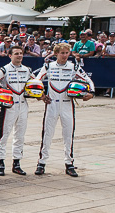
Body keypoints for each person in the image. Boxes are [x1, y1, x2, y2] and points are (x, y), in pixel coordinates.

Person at [34, 42, 94, 177]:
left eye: (67, 53)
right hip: (52, 104)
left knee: (68, 134)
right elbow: (36, 81)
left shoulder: (73, 66)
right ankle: (41, 163)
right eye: (62, 53)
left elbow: (88, 80)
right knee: (47, 134)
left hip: (68, 104)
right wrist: (40, 95)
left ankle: (69, 163)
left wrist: (91, 93)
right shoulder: (49, 66)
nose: (65, 56)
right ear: (56, 54)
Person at [0, 46, 32, 176]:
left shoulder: (27, 70)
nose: (19, 56)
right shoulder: (4, 69)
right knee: (4, 135)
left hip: (23, 105)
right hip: (9, 106)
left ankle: (17, 163)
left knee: (20, 135)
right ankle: (0, 162)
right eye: (16, 53)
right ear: (10, 55)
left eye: (21, 53)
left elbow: (34, 84)